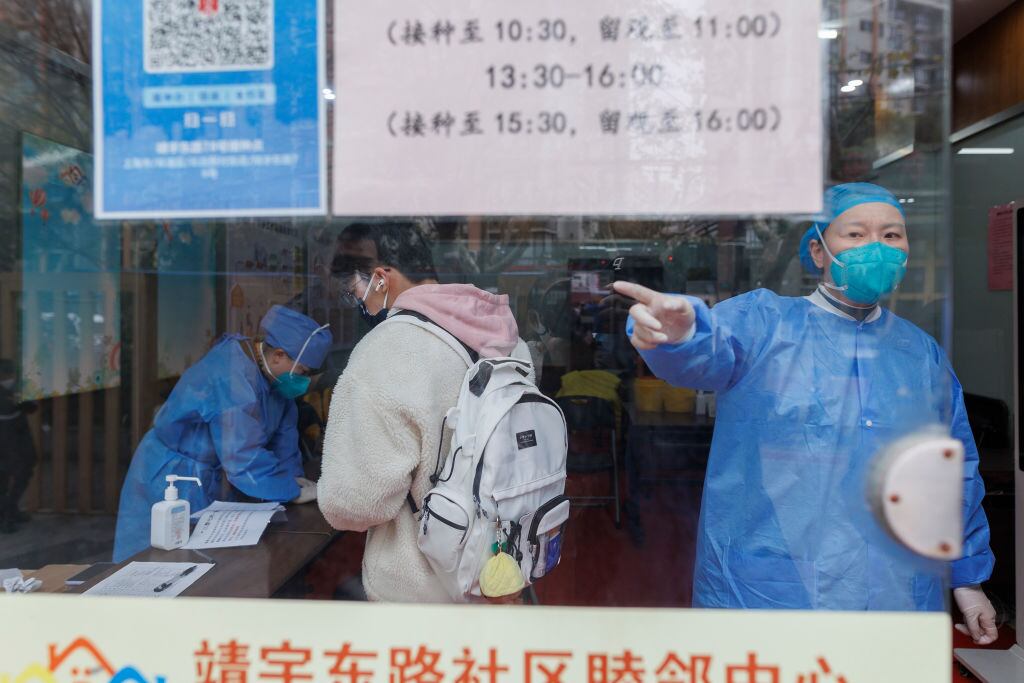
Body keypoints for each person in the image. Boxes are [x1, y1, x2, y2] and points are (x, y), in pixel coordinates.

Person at [615, 183, 998, 644]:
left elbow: (951, 473)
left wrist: (968, 579)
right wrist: (678, 335)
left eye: (892, 236)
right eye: (855, 234)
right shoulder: (764, 324)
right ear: (818, 250)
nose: (875, 247)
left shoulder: (919, 354)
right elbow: (706, 352)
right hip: (771, 586)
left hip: (894, 592)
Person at [318, 222, 525, 602]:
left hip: (423, 590)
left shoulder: (384, 351)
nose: (360, 305)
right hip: (501, 565)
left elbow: (354, 502)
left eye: (356, 293)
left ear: (381, 278)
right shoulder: (505, 336)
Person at [113, 306, 331, 561]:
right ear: (278, 356)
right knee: (151, 560)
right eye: (302, 372)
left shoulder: (274, 380)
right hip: (171, 473)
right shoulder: (233, 378)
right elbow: (242, 457)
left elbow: (284, 435)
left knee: (199, 559)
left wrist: (293, 479)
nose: (304, 382)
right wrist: (289, 490)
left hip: (210, 472)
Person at [0, 359, 37, 533]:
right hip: (5, 437)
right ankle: (5, 515)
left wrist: (24, 400)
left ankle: (10, 509)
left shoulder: (19, 388)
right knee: (3, 476)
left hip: (19, 435)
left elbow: (31, 408)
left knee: (25, 470)